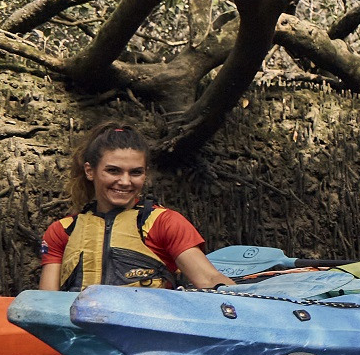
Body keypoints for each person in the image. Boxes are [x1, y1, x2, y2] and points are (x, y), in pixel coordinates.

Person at [38, 123, 229, 291]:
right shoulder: (62, 231)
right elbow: (47, 301)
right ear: (90, 171)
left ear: (145, 174)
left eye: (136, 173)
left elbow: (209, 278)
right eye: (113, 171)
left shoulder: (164, 222)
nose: (124, 181)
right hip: (78, 331)